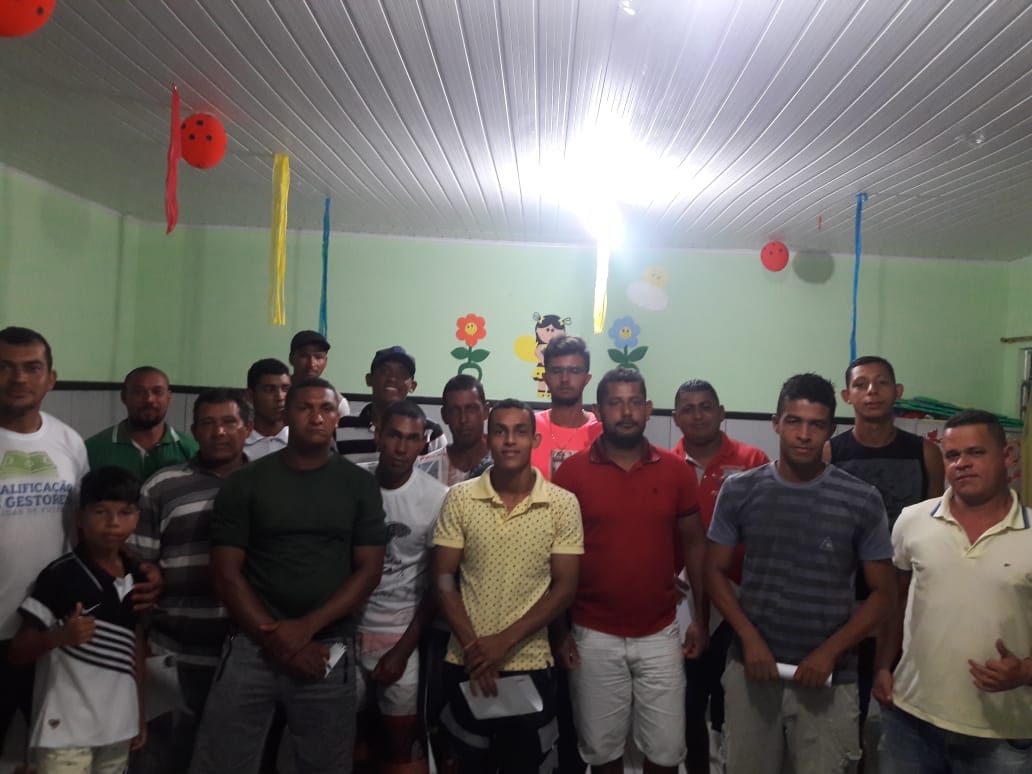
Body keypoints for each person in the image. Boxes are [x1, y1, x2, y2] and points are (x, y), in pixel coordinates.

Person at [189, 377, 387, 774]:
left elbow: (369, 570)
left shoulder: (360, 485)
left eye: (325, 409)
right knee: (222, 763)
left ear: (336, 418)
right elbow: (225, 573)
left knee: (325, 766)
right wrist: (277, 640)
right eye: (304, 408)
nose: (316, 417)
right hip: (251, 644)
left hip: (326, 648)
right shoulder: (246, 482)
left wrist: (305, 630)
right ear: (287, 415)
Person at [705, 373, 895, 774]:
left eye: (816, 424)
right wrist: (750, 640)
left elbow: (883, 593)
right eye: (794, 421)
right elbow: (713, 571)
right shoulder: (740, 490)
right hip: (752, 670)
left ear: (831, 430)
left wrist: (829, 652)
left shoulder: (861, 499)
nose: (804, 435)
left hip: (829, 677)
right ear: (776, 423)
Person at [552, 368, 706, 774]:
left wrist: (701, 619)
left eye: (634, 402)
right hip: (592, 634)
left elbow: (695, 545)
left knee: (666, 753)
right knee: (602, 754)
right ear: (599, 409)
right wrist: (560, 631)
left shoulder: (676, 471)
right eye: (615, 403)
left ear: (648, 408)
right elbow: (554, 558)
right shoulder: (571, 474)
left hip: (660, 634)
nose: (626, 412)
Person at [874, 409, 1032, 773]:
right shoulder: (912, 521)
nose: (962, 464)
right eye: (952, 455)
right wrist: (883, 665)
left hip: (1003, 731)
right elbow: (896, 599)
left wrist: (1025, 672)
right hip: (911, 719)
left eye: (976, 452)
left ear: (1008, 456)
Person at [432, 399, 583, 773]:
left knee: (525, 764)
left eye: (520, 431)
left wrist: (501, 644)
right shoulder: (460, 498)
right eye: (500, 431)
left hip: (530, 662)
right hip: (466, 660)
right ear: (488, 439)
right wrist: (476, 648)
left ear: (535, 440)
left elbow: (564, 589)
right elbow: (443, 578)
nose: (510, 440)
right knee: (467, 761)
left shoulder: (562, 504)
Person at [826, 355, 946, 757]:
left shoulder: (925, 454)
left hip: (906, 595)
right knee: (846, 709)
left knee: (900, 705)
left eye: (881, 383)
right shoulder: (831, 451)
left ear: (898, 392)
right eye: (861, 384)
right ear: (847, 396)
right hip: (846, 596)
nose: (871, 391)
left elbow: (934, 530)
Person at [128, 389, 253, 774]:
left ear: (247, 428)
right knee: (162, 757)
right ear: (194, 431)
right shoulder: (162, 485)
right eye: (208, 423)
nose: (219, 431)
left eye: (229, 422)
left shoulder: (267, 484)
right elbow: (137, 564)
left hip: (245, 657)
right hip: (172, 653)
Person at [9, 466, 147, 774]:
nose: (113, 522)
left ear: (137, 518)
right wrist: (58, 637)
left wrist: (138, 712)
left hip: (118, 725)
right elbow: (17, 651)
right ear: (79, 518)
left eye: (125, 512)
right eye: (100, 512)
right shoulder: (60, 575)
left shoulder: (139, 577)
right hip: (65, 731)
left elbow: (135, 647)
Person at [0, 326, 90, 762]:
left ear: (51, 378)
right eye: (5, 367)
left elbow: (84, 530)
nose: (19, 378)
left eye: (32, 368)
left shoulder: (69, 442)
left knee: (50, 756)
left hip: (53, 631)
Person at [671, 379, 769, 774]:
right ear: (675, 418)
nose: (697, 416)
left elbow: (767, 531)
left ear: (722, 412)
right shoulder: (664, 464)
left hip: (740, 601)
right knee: (688, 701)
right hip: (682, 602)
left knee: (737, 703)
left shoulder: (753, 459)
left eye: (705, 407)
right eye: (688, 408)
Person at [354, 400, 448, 774]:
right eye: (394, 435)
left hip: (400, 636)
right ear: (378, 434)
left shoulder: (436, 497)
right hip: (345, 635)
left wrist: (402, 651)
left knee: (401, 748)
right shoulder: (352, 484)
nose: (401, 447)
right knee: (346, 739)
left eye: (412, 439)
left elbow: (437, 585)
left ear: (423, 443)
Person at [336, 346, 444, 465]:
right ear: (369, 379)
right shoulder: (341, 427)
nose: (392, 378)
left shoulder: (430, 432)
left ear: (412, 386)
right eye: (384, 371)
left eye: (402, 373)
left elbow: (441, 473)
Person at [85, 366, 198, 480]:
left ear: (169, 398)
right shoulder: (92, 450)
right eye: (138, 392)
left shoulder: (192, 451)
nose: (149, 399)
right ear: (124, 397)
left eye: (157, 392)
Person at [530, 336, 602, 481]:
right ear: (545, 378)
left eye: (574, 371)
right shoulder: (528, 427)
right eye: (557, 371)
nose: (564, 379)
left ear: (587, 378)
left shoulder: (602, 430)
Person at [420, 374, 492, 486]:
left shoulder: (505, 462)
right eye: (455, 410)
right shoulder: (424, 469)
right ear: (444, 415)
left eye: (471, 409)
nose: (463, 419)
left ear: (486, 411)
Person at [288, 330, 350, 417]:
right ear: (291, 358)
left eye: (318, 357)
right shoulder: (278, 394)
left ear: (325, 361)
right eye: (304, 356)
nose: (311, 364)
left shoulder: (337, 403)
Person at [245, 358, 291, 460]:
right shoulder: (237, 444)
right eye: (269, 390)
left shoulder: (302, 441)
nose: (280, 397)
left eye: (285, 389)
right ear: (250, 396)